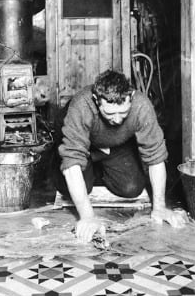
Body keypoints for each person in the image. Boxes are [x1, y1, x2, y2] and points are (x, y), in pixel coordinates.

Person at [55, 69, 186, 242]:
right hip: (80, 145)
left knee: (131, 188)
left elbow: (156, 157)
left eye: (122, 113)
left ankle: (101, 167)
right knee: (75, 188)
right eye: (109, 113)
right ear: (96, 100)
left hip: (114, 146)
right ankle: (82, 167)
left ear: (130, 97)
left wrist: (160, 207)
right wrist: (87, 217)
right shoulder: (81, 104)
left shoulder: (141, 105)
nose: (117, 120)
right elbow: (72, 162)